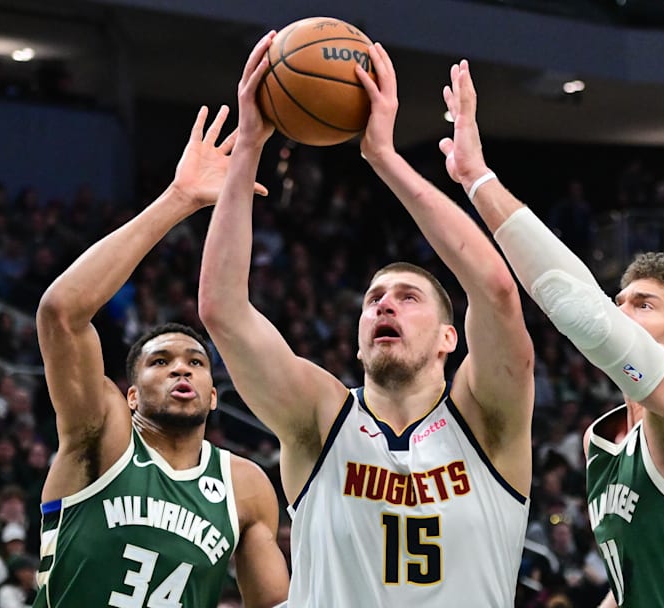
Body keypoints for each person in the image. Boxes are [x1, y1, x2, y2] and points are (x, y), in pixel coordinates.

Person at [441, 59, 664, 606]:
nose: (621, 312)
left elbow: (579, 310)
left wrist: (476, 179)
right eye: (619, 301)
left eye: (645, 305)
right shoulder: (601, 443)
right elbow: (634, 586)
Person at [199, 33, 535, 606]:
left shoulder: (488, 424)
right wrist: (251, 143)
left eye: (409, 297)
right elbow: (223, 310)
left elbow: (498, 290)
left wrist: (384, 156)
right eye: (374, 298)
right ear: (357, 341)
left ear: (448, 339)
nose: (384, 304)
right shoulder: (319, 417)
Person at [32, 106, 288, 608]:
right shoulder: (100, 437)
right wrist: (179, 199)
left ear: (215, 397)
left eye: (195, 362)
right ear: (129, 396)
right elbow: (61, 312)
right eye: (160, 361)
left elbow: (275, 605)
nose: (180, 368)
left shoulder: (246, 486)